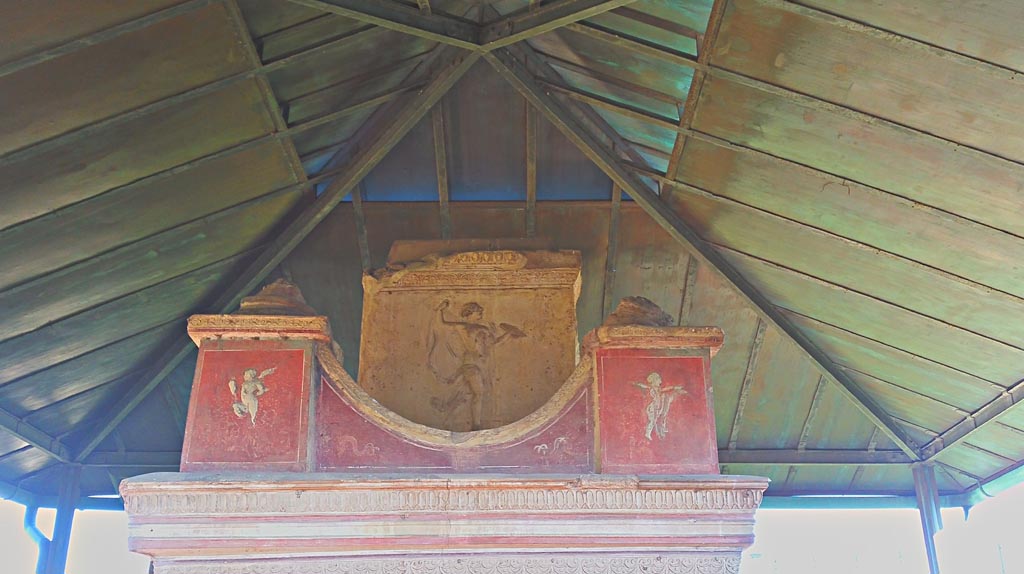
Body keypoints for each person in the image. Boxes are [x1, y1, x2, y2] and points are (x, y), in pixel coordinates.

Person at [427, 300, 525, 430]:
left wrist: (441, 310)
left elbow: (443, 322)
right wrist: (440, 309)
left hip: (471, 365)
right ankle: (476, 424)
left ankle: (446, 405)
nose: (481, 315)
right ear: (469, 313)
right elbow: (493, 343)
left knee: (468, 391)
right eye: (478, 312)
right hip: (472, 366)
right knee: (478, 393)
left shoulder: (463, 327)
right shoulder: (478, 329)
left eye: (481, 312)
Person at [632, 372, 687, 440]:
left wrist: (674, 387)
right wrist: (637, 384)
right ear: (654, 381)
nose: (660, 381)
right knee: (652, 421)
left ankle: (662, 428)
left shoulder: (658, 389)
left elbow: (665, 389)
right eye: (658, 379)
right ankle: (648, 433)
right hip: (653, 407)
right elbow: (645, 386)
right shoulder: (652, 388)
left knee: (661, 417)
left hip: (658, 407)